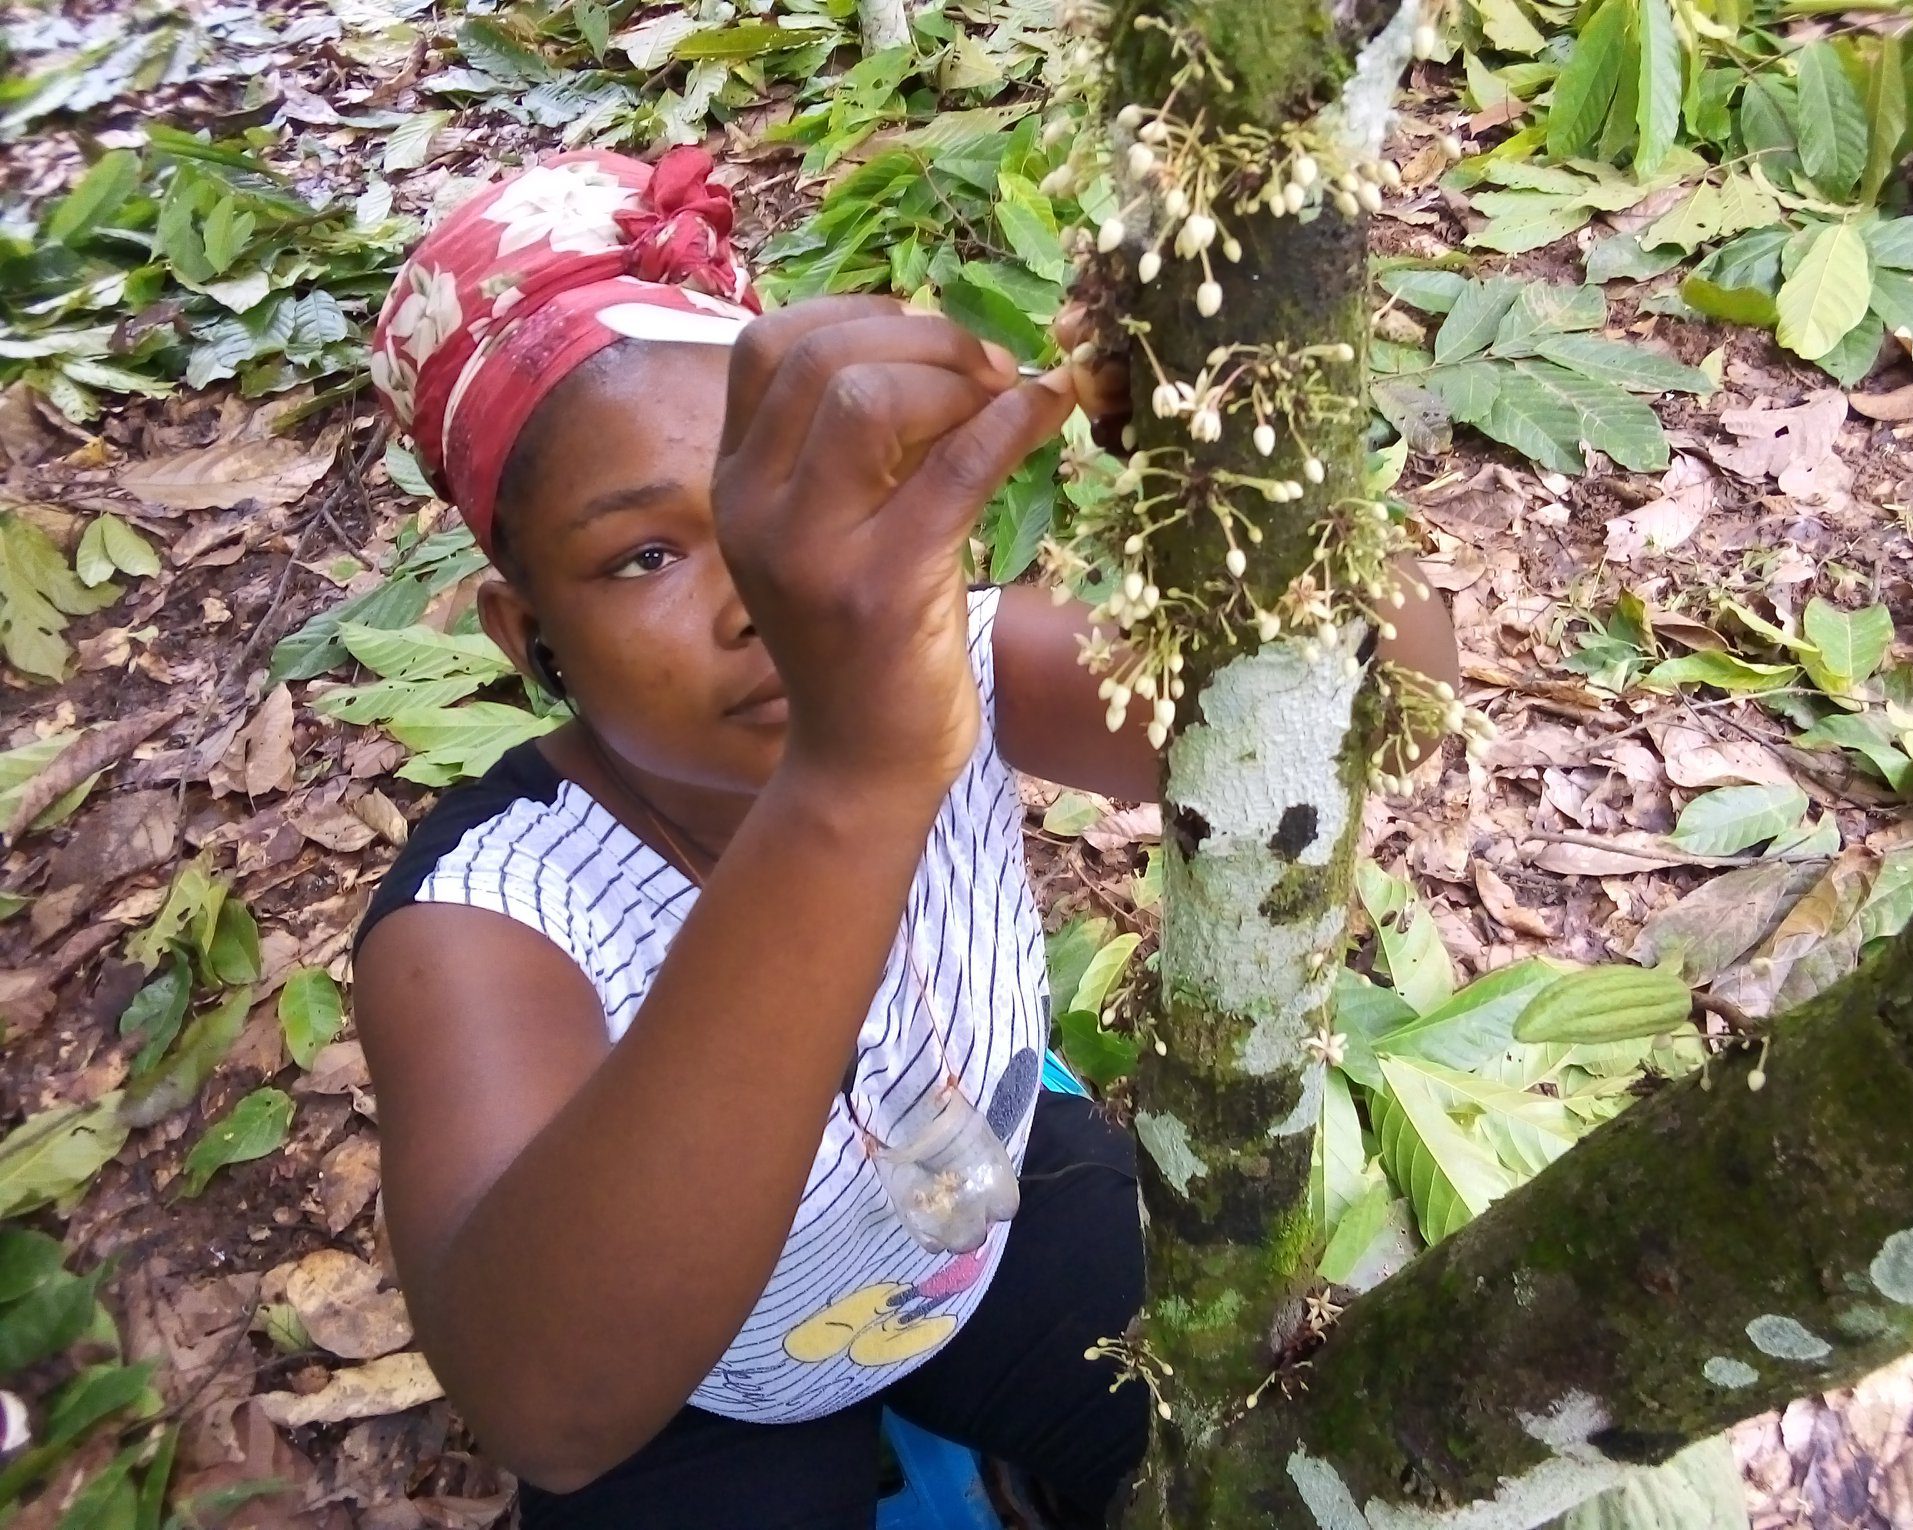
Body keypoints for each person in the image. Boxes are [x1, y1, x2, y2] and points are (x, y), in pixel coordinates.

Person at [351, 146, 1458, 1530]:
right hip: (699, 1383)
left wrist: (1234, 443)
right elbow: (549, 1402)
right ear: (530, 637)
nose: (756, 602)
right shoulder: (487, 912)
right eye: (643, 555)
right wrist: (857, 773)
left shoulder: (963, 666)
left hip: (982, 1229)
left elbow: (1377, 708)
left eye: (784, 525)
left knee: (1280, 1429)